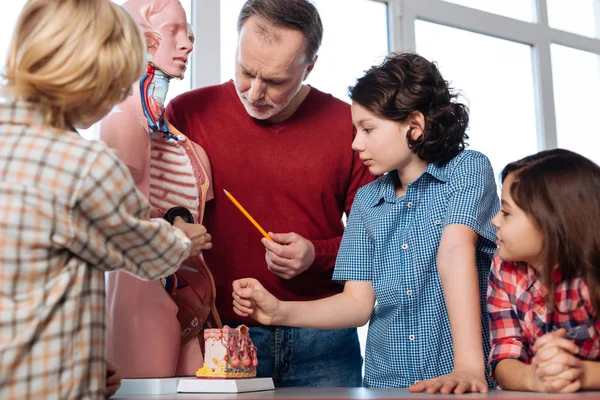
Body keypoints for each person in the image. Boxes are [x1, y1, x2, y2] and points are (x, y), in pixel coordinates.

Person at [232, 52, 500, 392]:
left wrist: (468, 368)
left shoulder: (468, 170)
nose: (356, 144)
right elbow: (357, 303)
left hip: (459, 380)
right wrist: (278, 312)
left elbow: (454, 251)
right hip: (384, 385)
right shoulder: (367, 199)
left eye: (368, 129)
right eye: (355, 129)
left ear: (414, 126)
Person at [165, 0, 372, 387]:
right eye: (246, 71)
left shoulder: (351, 127)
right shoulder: (187, 113)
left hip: (323, 341)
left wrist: (315, 254)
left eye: (275, 81)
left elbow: (377, 240)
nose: (255, 92)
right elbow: (156, 211)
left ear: (309, 67)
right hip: (217, 335)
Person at [0, 0, 196, 398]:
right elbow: (149, 253)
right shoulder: (85, 165)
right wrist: (181, 237)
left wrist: (81, 357)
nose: (117, 96)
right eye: (115, 83)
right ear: (89, 76)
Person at [99, 0, 221, 378]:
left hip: (194, 303)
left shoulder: (190, 148)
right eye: (173, 32)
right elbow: (115, 224)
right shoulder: (123, 126)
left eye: (188, 33)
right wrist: (172, 229)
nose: (187, 44)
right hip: (143, 299)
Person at [487, 148, 600, 393]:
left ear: (550, 222)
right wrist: (534, 378)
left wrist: (583, 373)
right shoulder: (503, 269)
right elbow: (504, 356)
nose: (495, 220)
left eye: (506, 212)